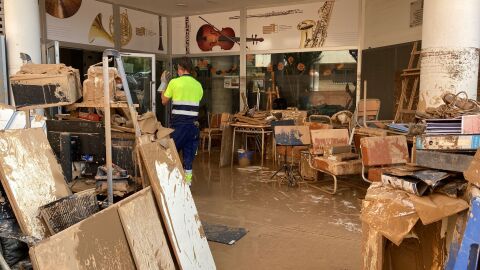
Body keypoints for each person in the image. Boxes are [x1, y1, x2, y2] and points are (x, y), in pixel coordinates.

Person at [161, 57, 203, 186]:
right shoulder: (198, 85)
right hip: (193, 127)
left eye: (177, 69)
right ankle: (187, 184)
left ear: (180, 68)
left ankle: (169, 183)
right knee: (188, 158)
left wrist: (163, 83)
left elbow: (164, 101)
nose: (177, 71)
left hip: (179, 127)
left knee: (170, 154)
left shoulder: (174, 82)